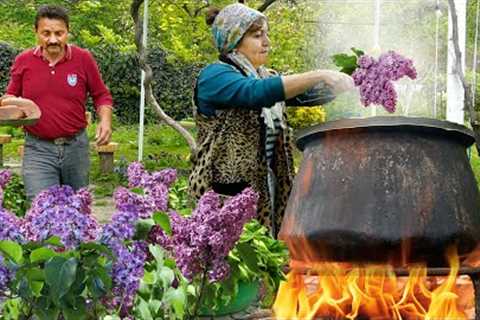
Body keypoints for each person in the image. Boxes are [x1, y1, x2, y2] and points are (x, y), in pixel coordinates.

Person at [189, 3, 355, 237]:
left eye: (267, 34)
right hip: (224, 193)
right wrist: (319, 74)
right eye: (257, 36)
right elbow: (256, 93)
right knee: (231, 262)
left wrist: (351, 77)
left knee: (266, 257)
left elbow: (306, 94)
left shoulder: (266, 76)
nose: (267, 42)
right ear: (233, 40)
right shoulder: (215, 76)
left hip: (267, 186)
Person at [2, 4, 113, 201]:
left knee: (77, 210)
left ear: (67, 32)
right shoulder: (24, 61)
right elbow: (11, 97)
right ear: (36, 32)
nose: (53, 39)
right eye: (46, 33)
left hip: (76, 148)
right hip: (38, 149)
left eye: (59, 33)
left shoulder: (83, 59)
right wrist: (14, 110)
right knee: (40, 209)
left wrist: (105, 121)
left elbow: (101, 95)